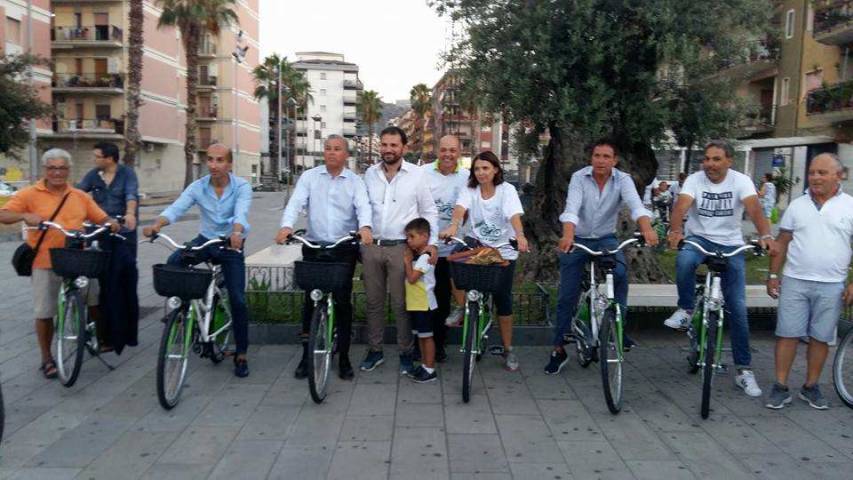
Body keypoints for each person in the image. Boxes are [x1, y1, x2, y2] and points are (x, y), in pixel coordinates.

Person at [665, 140, 776, 397]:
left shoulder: (741, 181)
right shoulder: (694, 179)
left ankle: (744, 371)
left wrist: (766, 235)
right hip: (699, 240)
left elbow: (754, 209)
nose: (710, 164)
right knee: (684, 260)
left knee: (737, 306)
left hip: (730, 244)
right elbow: (680, 206)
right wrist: (676, 230)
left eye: (716, 159)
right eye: (707, 159)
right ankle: (686, 308)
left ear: (729, 161)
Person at [0, 149, 118, 379]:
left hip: (77, 258)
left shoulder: (79, 196)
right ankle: (46, 359)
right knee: (44, 311)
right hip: (45, 260)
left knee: (94, 297)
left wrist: (110, 222)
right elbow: (3, 214)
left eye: (62, 168)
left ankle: (97, 336)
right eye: (52, 168)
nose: (57, 172)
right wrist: (24, 216)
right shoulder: (29, 194)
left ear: (68, 170)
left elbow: (100, 217)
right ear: (45, 170)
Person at [545, 140, 658, 375]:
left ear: (614, 160)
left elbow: (636, 206)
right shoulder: (579, 178)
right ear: (591, 158)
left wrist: (647, 228)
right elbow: (571, 208)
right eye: (597, 155)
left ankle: (618, 327)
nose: (601, 160)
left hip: (606, 238)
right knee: (567, 293)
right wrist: (567, 235)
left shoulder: (623, 180)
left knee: (619, 274)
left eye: (607, 156)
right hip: (577, 238)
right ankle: (558, 349)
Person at [143, 143, 253, 378]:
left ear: (229, 164)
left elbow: (241, 213)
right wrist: (156, 225)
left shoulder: (242, 186)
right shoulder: (198, 186)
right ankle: (185, 309)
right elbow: (176, 208)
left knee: (238, 299)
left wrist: (236, 233)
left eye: (220, 160)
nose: (213, 165)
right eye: (210, 159)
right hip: (205, 240)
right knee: (173, 262)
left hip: (230, 244)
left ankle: (241, 353)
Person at [275, 135, 373, 381]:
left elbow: (363, 206)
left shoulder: (355, 181)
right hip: (314, 245)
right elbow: (295, 203)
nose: (331, 153)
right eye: (328, 148)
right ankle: (306, 357)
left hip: (343, 248)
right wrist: (286, 226)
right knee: (310, 301)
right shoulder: (309, 177)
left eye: (337, 149)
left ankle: (344, 358)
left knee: (342, 301)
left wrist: (366, 227)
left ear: (346, 155)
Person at [764, 154, 853, 410]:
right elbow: (781, 242)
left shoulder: (849, 205)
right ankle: (780, 387)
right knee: (787, 335)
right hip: (795, 281)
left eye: (822, 173)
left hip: (832, 284)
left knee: (821, 338)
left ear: (839, 176)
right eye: (812, 172)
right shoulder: (797, 205)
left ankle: (810, 387)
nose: (815, 177)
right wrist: (772, 275)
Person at [440, 151, 529, 371]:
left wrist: (519, 235)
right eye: (477, 169)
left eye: (486, 168)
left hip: (502, 248)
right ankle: (462, 307)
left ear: (496, 170)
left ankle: (508, 349)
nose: (481, 173)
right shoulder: (470, 189)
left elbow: (514, 217)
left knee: (503, 300)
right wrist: (453, 225)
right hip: (476, 244)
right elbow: (460, 209)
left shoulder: (506, 191)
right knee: (453, 263)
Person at [361, 126, 439, 375]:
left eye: (393, 145)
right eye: (384, 144)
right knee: (373, 303)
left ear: (403, 148)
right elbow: (362, 209)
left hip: (401, 250)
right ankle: (375, 351)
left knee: (401, 304)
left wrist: (432, 243)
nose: (388, 149)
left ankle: (406, 352)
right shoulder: (370, 174)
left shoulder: (416, 175)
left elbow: (429, 211)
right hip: (373, 248)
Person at [77, 142, 140, 354]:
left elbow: (131, 196)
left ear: (110, 158)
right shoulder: (93, 175)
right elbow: (77, 193)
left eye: (97, 156)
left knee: (121, 281)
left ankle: (120, 330)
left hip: (123, 235)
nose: (94, 160)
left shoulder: (127, 174)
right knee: (101, 282)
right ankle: (103, 329)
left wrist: (130, 214)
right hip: (100, 232)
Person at [421, 134, 469, 362]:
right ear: (437, 151)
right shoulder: (423, 174)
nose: (448, 154)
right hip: (428, 248)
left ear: (459, 152)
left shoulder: (467, 178)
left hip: (455, 251)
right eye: (444, 150)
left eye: (453, 150)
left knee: (448, 299)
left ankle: (442, 344)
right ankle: (427, 343)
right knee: (428, 299)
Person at [404, 218, 439, 383]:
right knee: (421, 337)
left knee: (427, 337)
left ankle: (430, 369)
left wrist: (406, 262)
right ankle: (425, 366)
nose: (408, 241)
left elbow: (412, 278)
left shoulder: (425, 257)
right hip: (416, 304)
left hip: (424, 304)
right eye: (407, 238)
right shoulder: (420, 256)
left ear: (425, 236)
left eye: (412, 236)